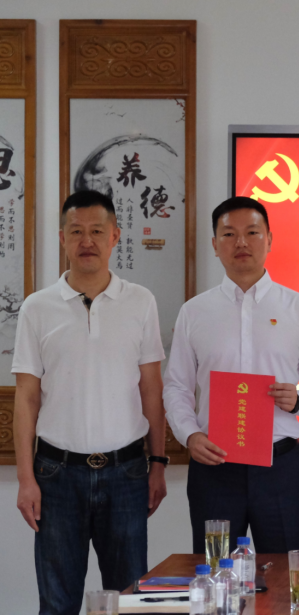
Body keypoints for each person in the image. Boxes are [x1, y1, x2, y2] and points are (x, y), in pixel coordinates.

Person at [13, 190, 168, 615]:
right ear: (62, 238)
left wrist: (158, 463)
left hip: (127, 474)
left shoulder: (141, 301)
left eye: (97, 231)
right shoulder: (37, 307)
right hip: (56, 475)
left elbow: (151, 389)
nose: (87, 241)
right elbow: (26, 397)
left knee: (129, 601)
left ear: (115, 236)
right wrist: (26, 479)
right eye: (76, 231)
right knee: (57, 603)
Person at [164, 196, 299, 554]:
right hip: (215, 466)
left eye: (252, 232)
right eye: (229, 234)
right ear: (215, 245)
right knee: (214, 572)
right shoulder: (194, 312)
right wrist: (190, 434)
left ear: (269, 239)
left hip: (280, 466)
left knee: (285, 573)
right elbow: (177, 386)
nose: (241, 242)